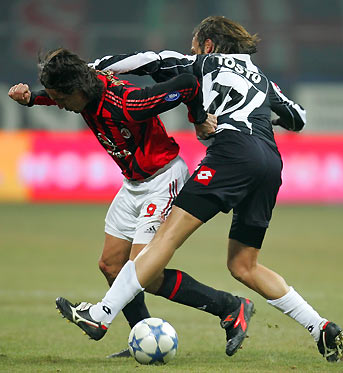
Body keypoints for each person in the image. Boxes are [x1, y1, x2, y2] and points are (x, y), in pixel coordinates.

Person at [56, 15, 343, 362]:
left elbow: (148, 60)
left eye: (194, 44)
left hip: (232, 154)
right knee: (244, 265)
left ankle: (101, 316)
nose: (190, 50)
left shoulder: (202, 63)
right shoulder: (263, 81)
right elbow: (298, 118)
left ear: (208, 45)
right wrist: (258, 109)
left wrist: (88, 69)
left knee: (165, 238)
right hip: (269, 162)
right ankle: (321, 327)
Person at [8, 47, 256, 358]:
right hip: (133, 184)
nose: (59, 105)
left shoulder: (129, 103)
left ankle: (231, 307)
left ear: (77, 89)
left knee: (145, 273)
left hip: (163, 178)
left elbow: (188, 84)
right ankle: (144, 335)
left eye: (60, 99)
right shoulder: (83, 89)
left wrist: (198, 119)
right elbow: (58, 95)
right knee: (111, 266)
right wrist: (33, 98)